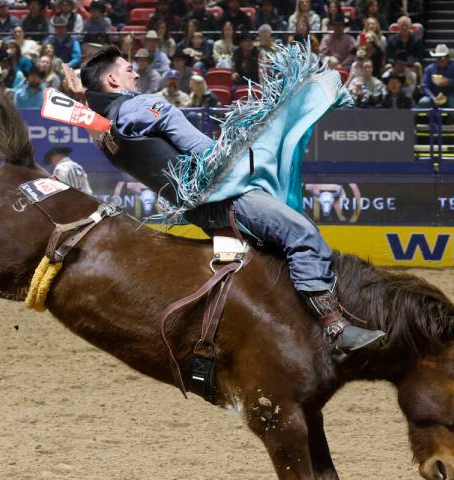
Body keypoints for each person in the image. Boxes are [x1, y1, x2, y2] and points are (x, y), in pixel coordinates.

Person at [68, 45, 386, 356]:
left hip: (199, 210)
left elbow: (104, 120)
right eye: (128, 69)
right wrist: (238, 158)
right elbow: (205, 152)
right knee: (302, 234)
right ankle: (334, 327)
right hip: (225, 196)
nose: (136, 74)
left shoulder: (100, 132)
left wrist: (84, 99)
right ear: (112, 81)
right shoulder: (144, 106)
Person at [418, 44, 454, 109]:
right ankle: (430, 118)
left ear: (448, 58)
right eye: (439, 57)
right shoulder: (429, 69)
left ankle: (450, 119)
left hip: (449, 96)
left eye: (444, 56)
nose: (442, 59)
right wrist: (432, 97)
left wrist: (450, 81)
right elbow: (424, 86)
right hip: (433, 96)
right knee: (423, 102)